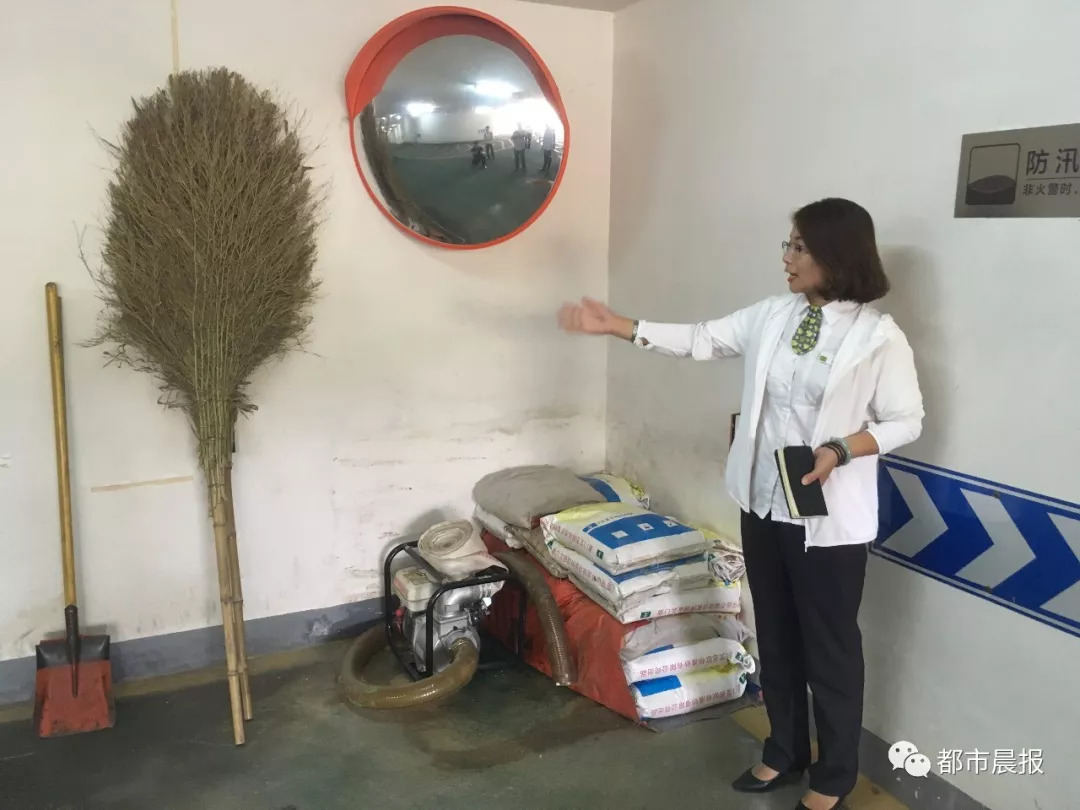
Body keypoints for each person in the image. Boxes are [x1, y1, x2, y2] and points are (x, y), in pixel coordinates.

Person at [557, 198, 923, 810]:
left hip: (828, 521)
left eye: (799, 246)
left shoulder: (877, 337)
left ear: (836, 254)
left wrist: (842, 448)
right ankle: (785, 749)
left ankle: (834, 775)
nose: (787, 257)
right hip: (764, 502)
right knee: (774, 633)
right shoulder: (773, 315)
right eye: (788, 244)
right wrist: (620, 325)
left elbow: (906, 420)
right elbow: (702, 339)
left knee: (830, 648)